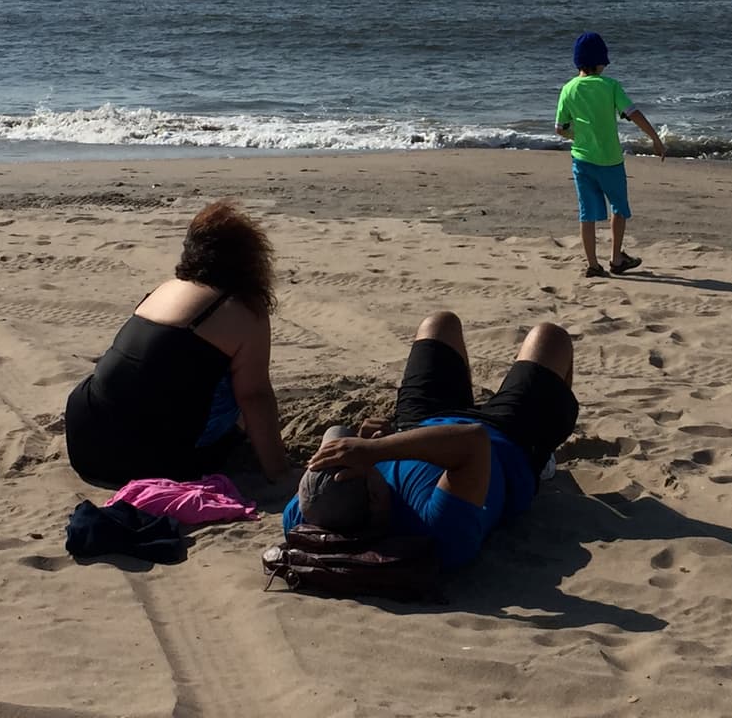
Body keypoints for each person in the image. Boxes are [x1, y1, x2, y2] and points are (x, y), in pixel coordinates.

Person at [282, 311, 579, 569]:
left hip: (418, 426)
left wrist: (375, 442)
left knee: (439, 324)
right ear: (373, 499)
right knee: (550, 337)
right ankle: (544, 460)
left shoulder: (307, 513)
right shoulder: (436, 532)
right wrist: (376, 449)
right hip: (506, 442)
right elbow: (473, 442)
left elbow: (334, 439)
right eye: (373, 475)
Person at [65, 200, 291, 486]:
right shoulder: (243, 309)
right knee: (239, 390)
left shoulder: (164, 289)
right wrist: (280, 473)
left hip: (86, 439)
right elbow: (255, 396)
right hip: (150, 462)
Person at [555, 31, 665, 279]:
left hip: (582, 160)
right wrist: (655, 138)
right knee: (618, 207)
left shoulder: (568, 89)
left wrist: (577, 136)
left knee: (588, 212)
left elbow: (560, 128)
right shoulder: (610, 86)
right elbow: (633, 112)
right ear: (600, 61)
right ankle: (616, 257)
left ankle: (593, 264)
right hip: (610, 160)